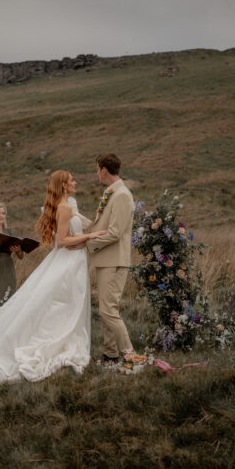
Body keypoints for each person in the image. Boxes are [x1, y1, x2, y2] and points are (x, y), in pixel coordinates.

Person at [0, 171, 106, 383]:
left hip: (74, 260)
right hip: (68, 263)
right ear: (63, 185)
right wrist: (89, 236)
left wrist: (84, 238)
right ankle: (54, 342)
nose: (75, 182)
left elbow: (67, 238)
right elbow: (61, 241)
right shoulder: (63, 208)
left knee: (66, 304)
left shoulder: (68, 205)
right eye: (71, 180)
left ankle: (64, 338)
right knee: (62, 303)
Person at [84, 153, 136, 363]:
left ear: (104, 170)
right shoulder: (111, 193)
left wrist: (89, 242)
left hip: (114, 261)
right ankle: (110, 355)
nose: (96, 174)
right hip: (106, 260)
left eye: (97, 169)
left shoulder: (122, 195)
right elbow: (101, 226)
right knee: (108, 310)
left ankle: (130, 355)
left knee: (107, 311)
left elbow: (115, 232)